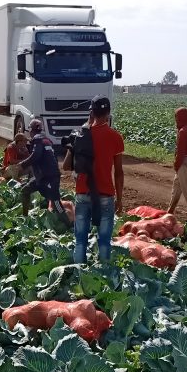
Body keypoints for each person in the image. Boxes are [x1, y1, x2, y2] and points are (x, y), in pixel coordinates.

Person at [63, 95, 124, 264]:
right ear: (108, 113)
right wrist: (119, 199)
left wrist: (78, 137)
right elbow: (119, 173)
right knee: (104, 241)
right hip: (105, 194)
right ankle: (104, 276)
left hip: (83, 192)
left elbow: (66, 166)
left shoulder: (80, 135)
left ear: (91, 112)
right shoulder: (115, 137)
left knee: (80, 240)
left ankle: (79, 274)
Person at [19, 119, 71, 227]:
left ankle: (70, 226)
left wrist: (21, 165)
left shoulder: (37, 140)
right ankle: (25, 218)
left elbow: (36, 156)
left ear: (31, 130)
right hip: (42, 177)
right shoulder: (47, 140)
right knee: (25, 190)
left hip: (49, 177)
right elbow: (53, 159)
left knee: (56, 204)